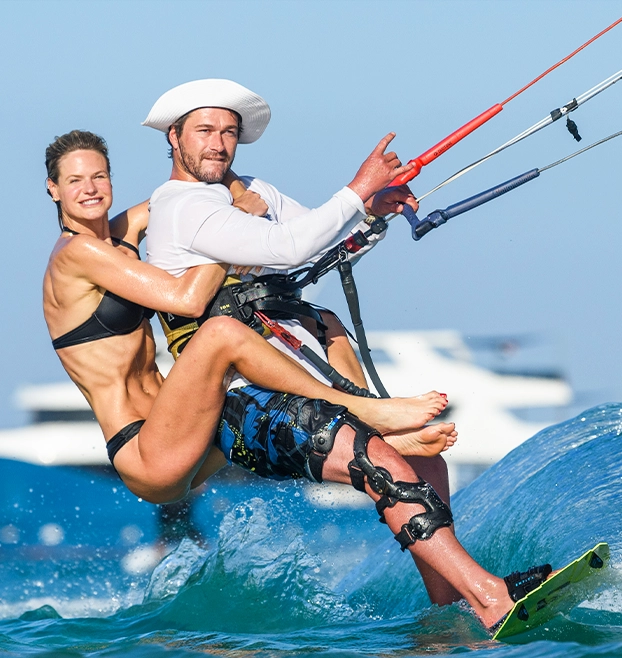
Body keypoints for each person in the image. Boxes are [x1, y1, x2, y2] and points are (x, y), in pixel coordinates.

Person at [142, 80, 553, 629]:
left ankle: (450, 608)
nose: (218, 143)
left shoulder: (250, 189)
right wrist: (359, 188)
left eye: (228, 132)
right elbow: (285, 247)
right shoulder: (179, 208)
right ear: (174, 138)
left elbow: (320, 236)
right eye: (204, 132)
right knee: (377, 461)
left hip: (294, 376)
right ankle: (489, 596)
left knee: (423, 461)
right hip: (240, 402)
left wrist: (372, 211)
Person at [42, 129, 452, 519]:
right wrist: (232, 227)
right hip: (147, 452)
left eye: (99, 176)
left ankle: (373, 434)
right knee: (222, 334)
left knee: (318, 323)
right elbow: (189, 298)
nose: (90, 188)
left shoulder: (119, 237)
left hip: (191, 427)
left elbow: (197, 190)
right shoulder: (75, 252)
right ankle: (363, 413)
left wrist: (365, 205)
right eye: (75, 180)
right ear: (53, 189)